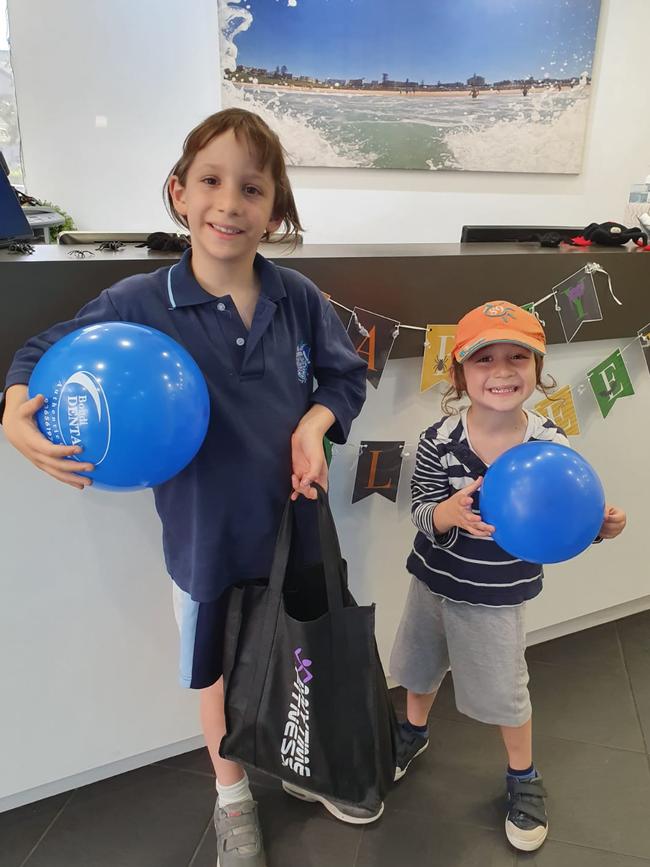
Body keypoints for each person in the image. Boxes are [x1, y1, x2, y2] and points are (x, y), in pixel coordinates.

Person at [1, 108, 370, 866]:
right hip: (204, 538)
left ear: (276, 210)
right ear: (179, 193)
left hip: (295, 527)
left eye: (253, 188)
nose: (229, 203)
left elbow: (345, 373)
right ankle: (230, 792)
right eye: (211, 181)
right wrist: (13, 410)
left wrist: (313, 427)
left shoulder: (297, 296)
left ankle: (302, 763)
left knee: (302, 648)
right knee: (215, 670)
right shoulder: (140, 301)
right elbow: (41, 349)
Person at [389, 301, 626, 852]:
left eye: (517, 357)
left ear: (537, 369)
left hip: (497, 598)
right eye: (484, 359)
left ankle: (523, 777)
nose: (501, 371)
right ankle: (411, 734)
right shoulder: (439, 439)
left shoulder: (550, 444)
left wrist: (600, 526)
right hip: (432, 581)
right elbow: (421, 509)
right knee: (418, 667)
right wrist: (444, 515)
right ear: (460, 374)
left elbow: (565, 517)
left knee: (505, 691)